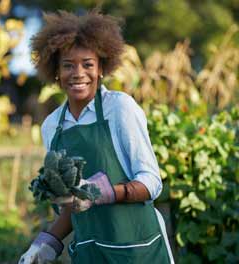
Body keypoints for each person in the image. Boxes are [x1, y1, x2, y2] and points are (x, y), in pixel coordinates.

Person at [19, 9, 175, 264]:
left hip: (137, 250)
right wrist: (46, 244)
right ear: (56, 72)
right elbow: (73, 204)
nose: (78, 73)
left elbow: (151, 182)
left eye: (88, 64)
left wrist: (103, 193)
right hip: (90, 252)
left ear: (101, 67)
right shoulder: (52, 126)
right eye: (68, 65)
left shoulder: (120, 109)